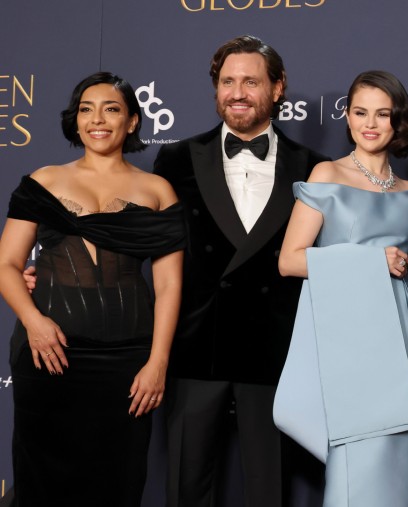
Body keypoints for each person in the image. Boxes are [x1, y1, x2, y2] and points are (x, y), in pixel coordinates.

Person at [152, 35, 328, 506]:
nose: (237, 92)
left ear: (277, 87)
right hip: (194, 349)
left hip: (275, 352)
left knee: (269, 487)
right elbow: (146, 246)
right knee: (186, 486)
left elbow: (330, 258)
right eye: (227, 81)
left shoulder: (314, 168)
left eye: (251, 81)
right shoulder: (174, 159)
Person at [0, 72, 184, 506]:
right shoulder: (42, 180)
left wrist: (158, 361)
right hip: (48, 352)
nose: (97, 119)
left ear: (133, 122)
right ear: (75, 120)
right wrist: (33, 322)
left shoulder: (157, 190)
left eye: (112, 109)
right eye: (86, 109)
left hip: (127, 362)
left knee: (117, 482)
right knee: (42, 482)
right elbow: (7, 264)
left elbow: (170, 283)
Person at [272, 70, 408, 506]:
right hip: (349, 335)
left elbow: (407, 265)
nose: (370, 123)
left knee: (407, 450)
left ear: (399, 122)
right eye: (360, 112)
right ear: (347, 117)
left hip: (401, 331)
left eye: (383, 114)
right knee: (359, 453)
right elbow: (290, 260)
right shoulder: (328, 174)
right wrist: (370, 261)